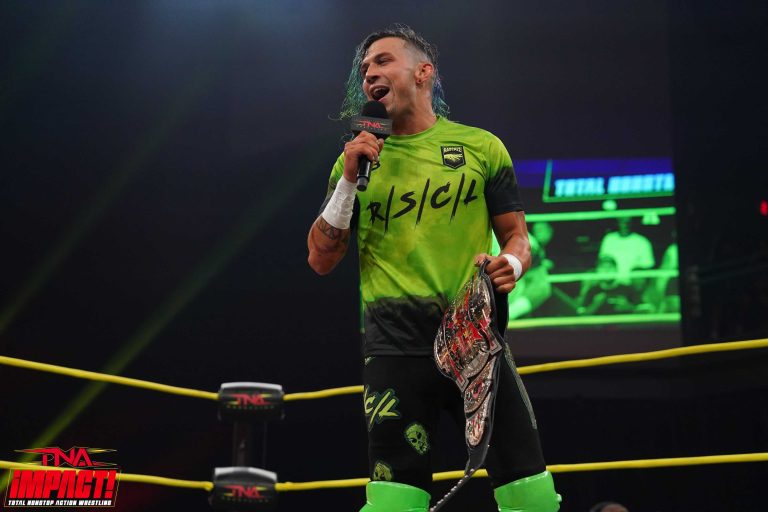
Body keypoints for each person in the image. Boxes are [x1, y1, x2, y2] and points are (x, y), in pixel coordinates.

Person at [307, 25, 560, 512]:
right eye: (364, 68)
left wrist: (510, 263)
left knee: (532, 497)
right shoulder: (353, 163)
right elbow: (320, 259)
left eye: (383, 61)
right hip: (395, 346)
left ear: (423, 72)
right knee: (393, 504)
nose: (369, 74)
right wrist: (349, 181)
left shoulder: (481, 147)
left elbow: (518, 239)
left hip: (474, 341)